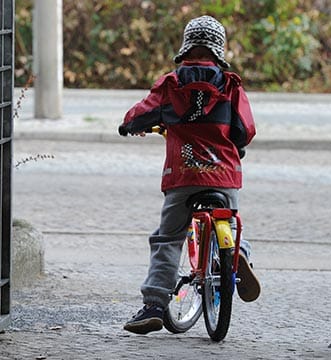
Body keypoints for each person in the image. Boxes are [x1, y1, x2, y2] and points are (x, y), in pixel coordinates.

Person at [118, 15, 260, 335]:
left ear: (186, 47)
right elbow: (245, 128)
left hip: (183, 176)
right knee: (232, 222)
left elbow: (143, 113)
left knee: (168, 238)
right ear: (218, 50)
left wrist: (129, 126)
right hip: (223, 174)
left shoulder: (171, 84)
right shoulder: (231, 85)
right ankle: (235, 256)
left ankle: (154, 304)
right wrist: (236, 145)